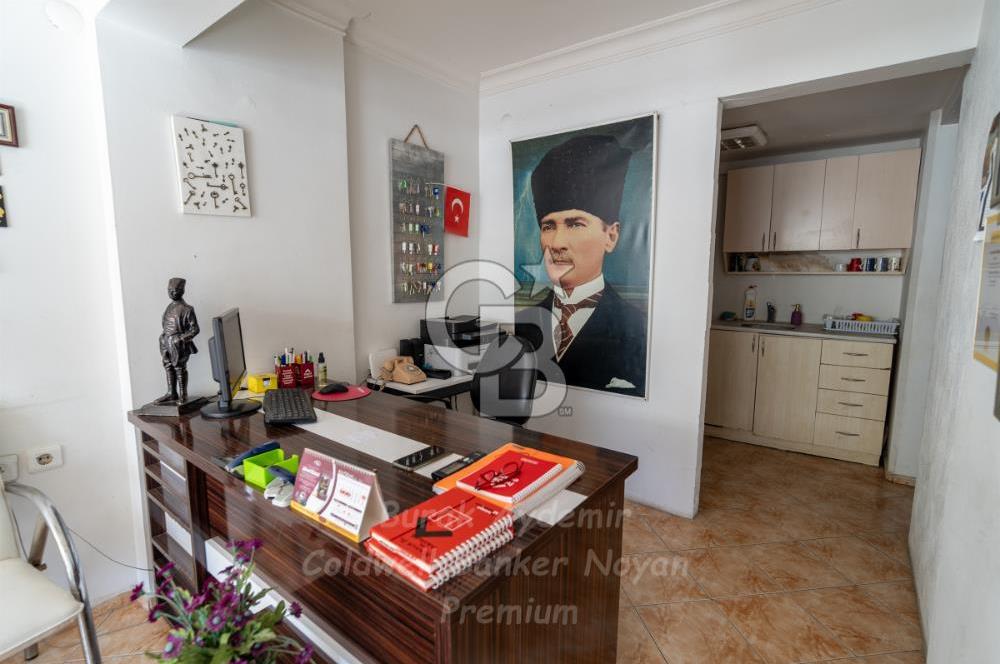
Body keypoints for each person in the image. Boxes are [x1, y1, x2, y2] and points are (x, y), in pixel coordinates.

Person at [516, 134, 648, 397]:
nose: (557, 243)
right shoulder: (523, 324)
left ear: (611, 236)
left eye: (575, 224)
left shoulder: (635, 327)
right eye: (548, 226)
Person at [154, 277, 200, 404]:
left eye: (175, 290)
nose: (172, 292)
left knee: (180, 368)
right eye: (170, 290)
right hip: (165, 341)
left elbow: (195, 329)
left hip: (178, 343)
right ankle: (171, 393)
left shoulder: (187, 309)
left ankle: (183, 394)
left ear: (182, 291)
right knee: (168, 365)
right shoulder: (169, 307)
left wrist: (181, 338)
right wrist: (163, 338)